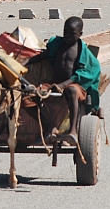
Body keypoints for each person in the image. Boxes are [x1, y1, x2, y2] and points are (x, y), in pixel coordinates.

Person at [24, 16, 101, 145]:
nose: (68, 36)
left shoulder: (83, 52)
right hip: (54, 83)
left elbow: (89, 72)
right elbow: (42, 56)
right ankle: (50, 127)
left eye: (72, 34)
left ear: (80, 34)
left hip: (74, 84)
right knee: (27, 98)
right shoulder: (56, 45)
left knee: (71, 91)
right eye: (65, 32)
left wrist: (63, 85)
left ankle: (72, 132)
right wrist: (24, 62)